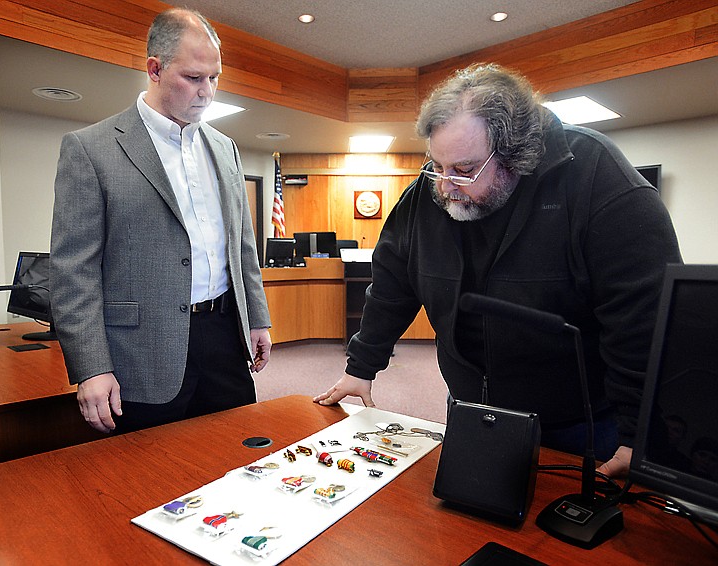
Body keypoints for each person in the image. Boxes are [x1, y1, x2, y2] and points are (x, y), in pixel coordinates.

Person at [314, 63, 682, 477]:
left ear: (514, 154)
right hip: (471, 408)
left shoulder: (597, 179)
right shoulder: (431, 190)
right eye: (437, 165)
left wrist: (640, 432)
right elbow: (392, 287)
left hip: (582, 424)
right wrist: (361, 367)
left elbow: (643, 319)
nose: (445, 185)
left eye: (465, 170)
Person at [51, 8, 271, 434]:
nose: (207, 91)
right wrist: (91, 367)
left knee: (236, 461)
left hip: (225, 336)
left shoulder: (225, 148)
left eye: (215, 77)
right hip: (141, 350)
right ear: (154, 68)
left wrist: (256, 317)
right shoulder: (91, 149)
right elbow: (72, 271)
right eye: (193, 77)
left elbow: (242, 245)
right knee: (149, 479)